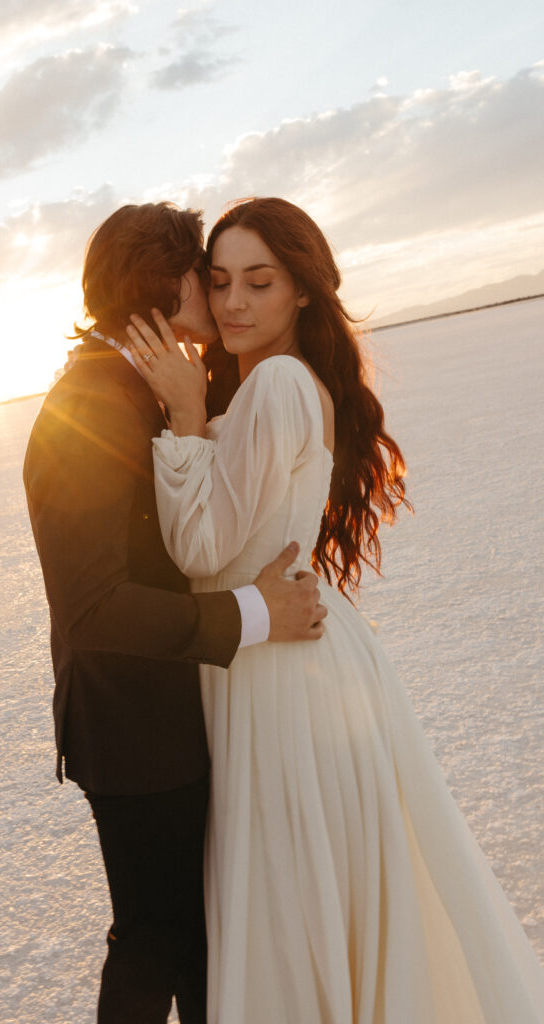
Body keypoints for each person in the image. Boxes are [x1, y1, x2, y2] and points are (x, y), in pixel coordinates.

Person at [126, 197, 544, 1023]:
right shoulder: (270, 386)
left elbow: (204, 550)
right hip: (289, 656)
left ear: (303, 291)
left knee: (293, 894)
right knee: (320, 883)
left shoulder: (277, 382)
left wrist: (179, 417)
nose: (234, 303)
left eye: (260, 281)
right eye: (218, 283)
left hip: (279, 674)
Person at [22, 201, 328, 1024]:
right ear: (166, 291)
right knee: (155, 938)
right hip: (134, 732)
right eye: (205, 274)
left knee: (191, 936)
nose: (221, 294)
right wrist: (251, 614)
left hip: (169, 716)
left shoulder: (136, 386)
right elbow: (92, 609)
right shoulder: (90, 405)